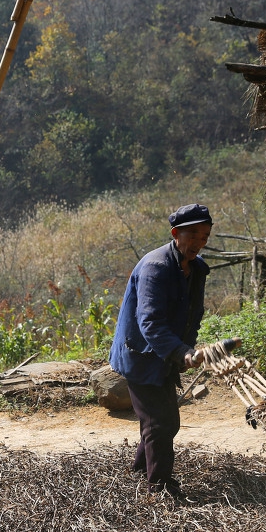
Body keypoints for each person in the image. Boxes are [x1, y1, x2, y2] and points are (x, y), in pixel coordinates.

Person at [108, 204, 213, 497]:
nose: (198, 242)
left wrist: (186, 350)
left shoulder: (198, 269)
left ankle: (143, 468)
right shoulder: (156, 267)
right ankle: (160, 486)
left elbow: (194, 313)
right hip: (140, 354)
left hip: (166, 352)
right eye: (192, 234)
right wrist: (180, 352)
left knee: (159, 420)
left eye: (204, 236)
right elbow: (149, 322)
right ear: (175, 234)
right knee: (162, 421)